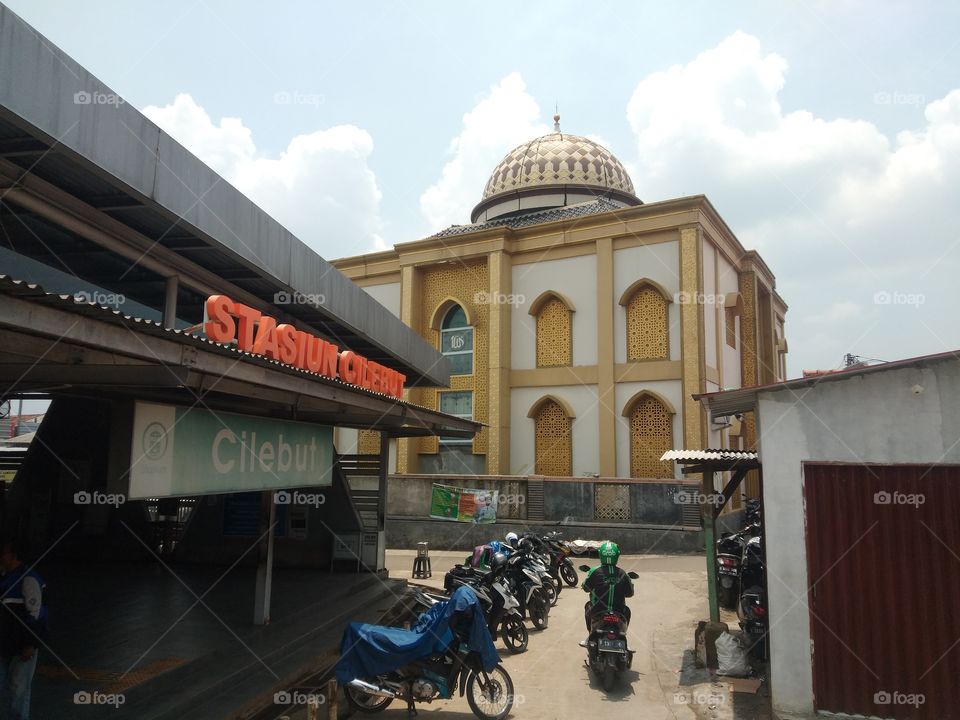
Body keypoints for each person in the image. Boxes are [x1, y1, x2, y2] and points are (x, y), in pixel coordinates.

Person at [0, 537, 46, 720]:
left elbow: (36, 614)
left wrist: (30, 643)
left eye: (3, 553)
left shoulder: (28, 580)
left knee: (18, 689)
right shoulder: (5, 577)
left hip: (21, 646)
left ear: (13, 555)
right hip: (4, 642)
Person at [580, 541, 633, 642]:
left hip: (598, 612)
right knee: (628, 611)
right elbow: (630, 593)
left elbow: (586, 588)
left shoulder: (595, 571)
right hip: (619, 612)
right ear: (617, 556)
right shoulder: (622, 573)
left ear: (600, 555)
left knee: (588, 606)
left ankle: (590, 633)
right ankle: (622, 634)